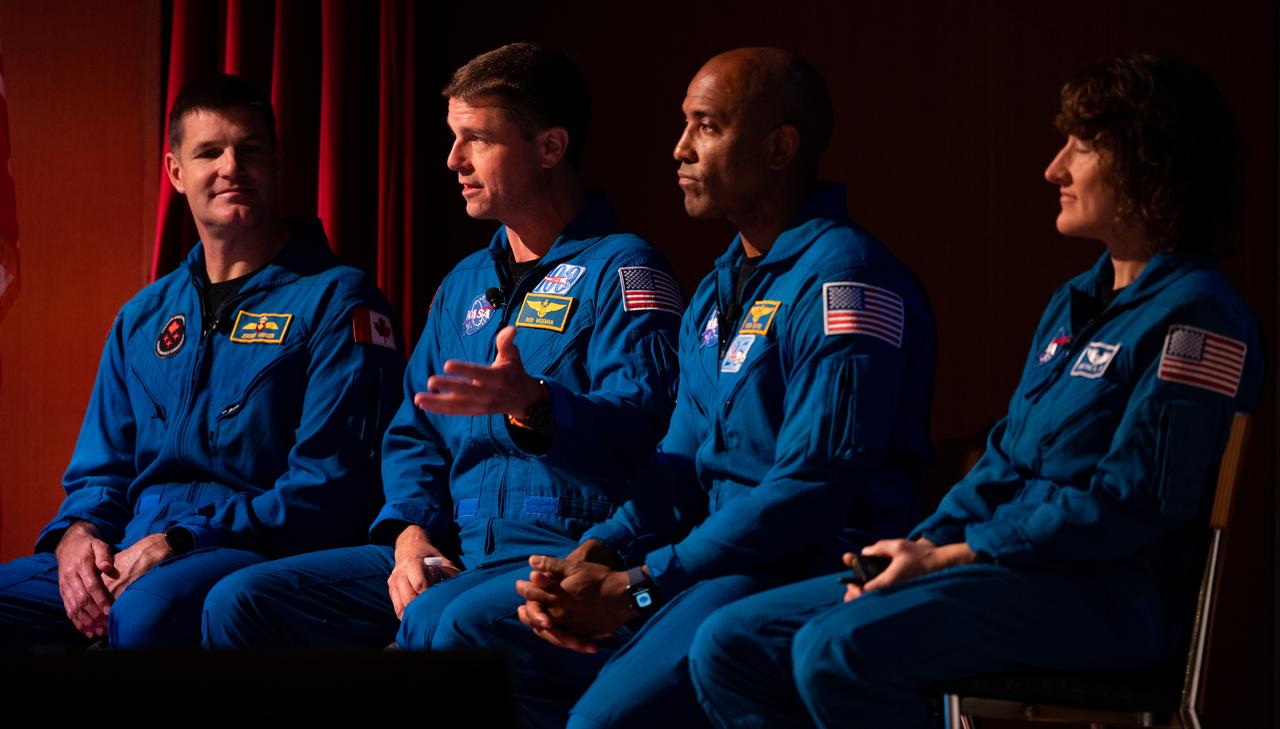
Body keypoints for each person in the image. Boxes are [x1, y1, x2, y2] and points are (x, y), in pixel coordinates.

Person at [687, 53, 1264, 729]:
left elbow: (1126, 504)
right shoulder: (1074, 300)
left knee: (836, 648)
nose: (1055, 169)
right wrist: (919, 547)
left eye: (1079, 149)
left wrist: (960, 552)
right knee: (731, 643)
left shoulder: (1201, 317)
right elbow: (1002, 460)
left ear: (1151, 163)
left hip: (1105, 595)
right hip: (1004, 569)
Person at [427, 47, 936, 729]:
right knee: (493, 626)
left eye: (706, 127)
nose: (679, 150)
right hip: (712, 562)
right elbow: (677, 470)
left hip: (805, 566)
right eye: (683, 125)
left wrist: (641, 583)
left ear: (780, 147)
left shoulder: (846, 281)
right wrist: (598, 552)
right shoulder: (718, 291)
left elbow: (811, 490)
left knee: (601, 719)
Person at [201, 43, 681, 650]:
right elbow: (413, 434)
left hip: (560, 555)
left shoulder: (627, 270)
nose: (453, 159)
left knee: (445, 624)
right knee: (244, 602)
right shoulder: (463, 285)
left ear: (550, 148)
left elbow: (648, 430)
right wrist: (409, 535)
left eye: (476, 138)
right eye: (453, 138)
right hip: (454, 546)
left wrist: (536, 406)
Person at [0, 74, 406, 649]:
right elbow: (101, 470)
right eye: (209, 152)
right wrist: (76, 536)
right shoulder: (143, 317)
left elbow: (330, 486)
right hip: (132, 547)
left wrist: (185, 539)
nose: (231, 167)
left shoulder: (338, 300)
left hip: (250, 549)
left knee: (143, 616)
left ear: (277, 164)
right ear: (175, 173)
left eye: (250, 149)